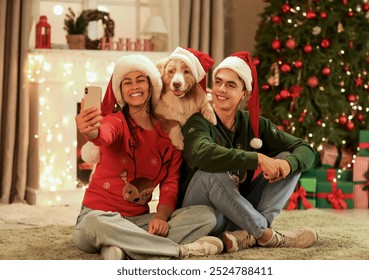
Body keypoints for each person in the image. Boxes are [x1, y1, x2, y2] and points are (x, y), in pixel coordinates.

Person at [74, 54, 223, 260]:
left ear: (151, 85)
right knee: (95, 223)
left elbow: (170, 183)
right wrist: (89, 131)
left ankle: (122, 249)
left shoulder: (170, 134)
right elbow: (102, 135)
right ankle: (175, 251)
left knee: (206, 216)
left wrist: (161, 217)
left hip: (138, 220)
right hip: (97, 217)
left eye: (140, 80)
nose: (134, 86)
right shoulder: (116, 121)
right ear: (121, 91)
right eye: (127, 82)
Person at [179, 51, 318, 253]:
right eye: (218, 82)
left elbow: (305, 150)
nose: (221, 89)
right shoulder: (198, 121)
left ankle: (246, 234)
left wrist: (286, 165)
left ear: (245, 93)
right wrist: (258, 159)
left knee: (287, 158)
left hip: (235, 213)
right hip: (202, 212)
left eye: (231, 85)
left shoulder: (254, 124)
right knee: (213, 172)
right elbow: (203, 154)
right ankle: (265, 234)